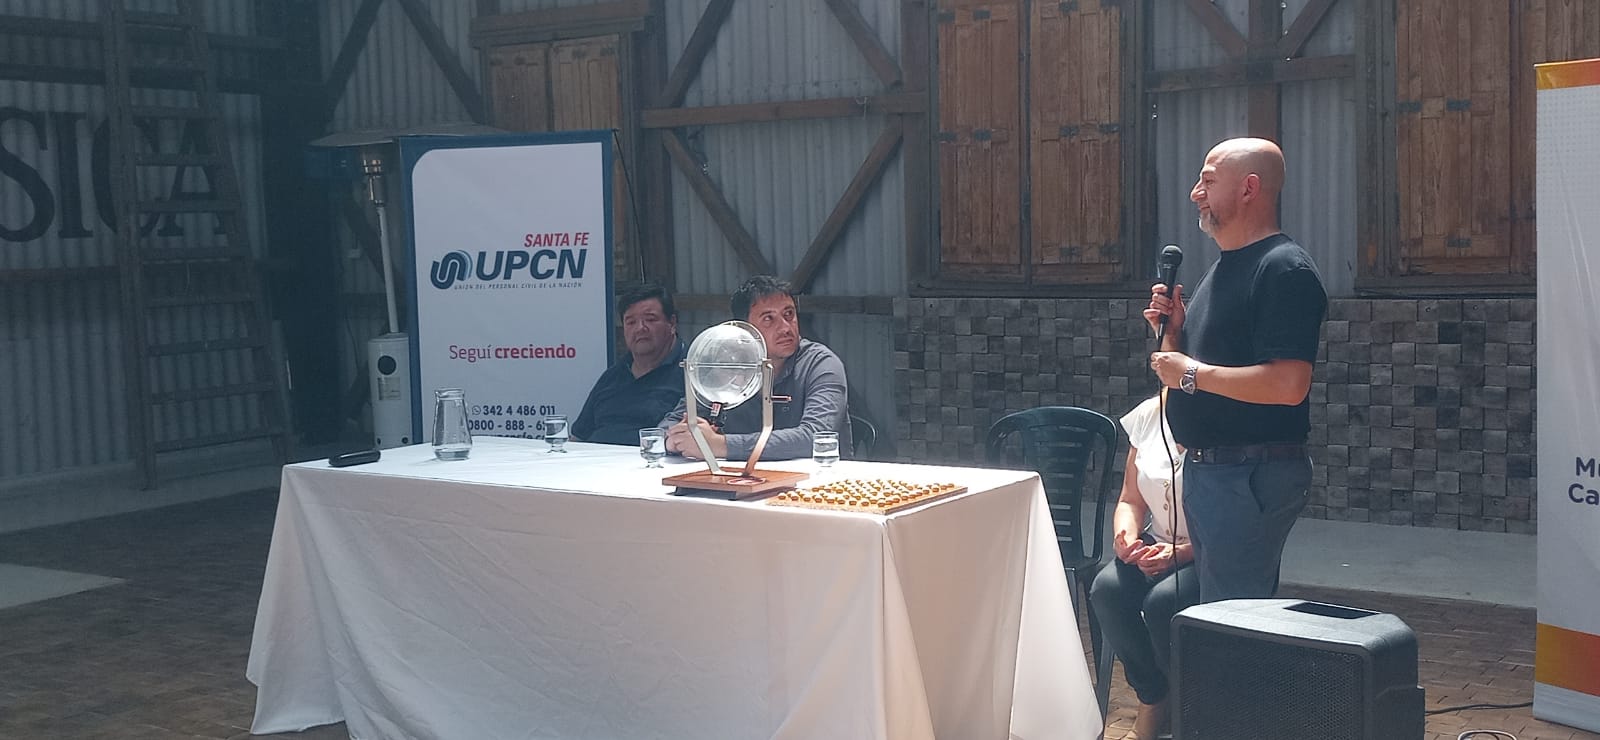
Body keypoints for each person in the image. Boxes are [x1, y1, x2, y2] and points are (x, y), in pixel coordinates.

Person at [1145, 137, 1327, 604]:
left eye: (1207, 181)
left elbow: (1289, 384)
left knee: (1232, 622)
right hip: (1213, 475)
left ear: (1249, 188)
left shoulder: (1283, 269)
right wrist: (1174, 332)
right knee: (1206, 617)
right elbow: (1183, 372)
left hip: (1248, 475)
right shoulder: (1222, 269)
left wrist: (1191, 372)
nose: (1195, 193)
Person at [1089, 392, 1198, 740]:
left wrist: (1181, 553)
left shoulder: (1224, 416)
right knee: (1107, 590)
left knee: (1162, 602)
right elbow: (1130, 499)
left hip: (1210, 551)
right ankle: (1153, 695)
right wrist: (1126, 536)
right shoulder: (1149, 414)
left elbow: (1238, 526)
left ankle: (1191, 708)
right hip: (1159, 540)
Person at [660, 275, 850, 461]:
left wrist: (721, 445)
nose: (785, 328)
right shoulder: (727, 365)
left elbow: (816, 437)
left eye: (789, 314)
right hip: (735, 477)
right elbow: (668, 425)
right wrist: (675, 441)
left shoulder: (821, 364)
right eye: (768, 319)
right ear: (744, 329)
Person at [571, 284, 686, 445]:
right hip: (593, 457)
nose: (640, 328)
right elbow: (578, 437)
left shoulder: (693, 373)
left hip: (651, 458)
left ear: (672, 324)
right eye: (631, 322)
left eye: (650, 320)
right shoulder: (613, 375)